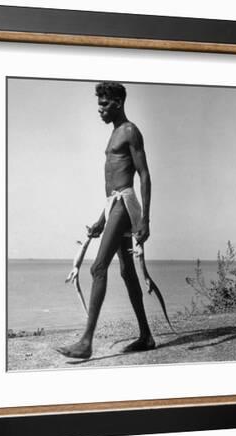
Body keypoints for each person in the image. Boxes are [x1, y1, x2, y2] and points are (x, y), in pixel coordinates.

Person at [56, 81, 155, 359]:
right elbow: (113, 186)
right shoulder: (114, 134)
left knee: (98, 268)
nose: (99, 109)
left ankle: (86, 342)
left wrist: (145, 219)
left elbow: (143, 175)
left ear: (118, 103)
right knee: (126, 271)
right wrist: (101, 218)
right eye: (98, 103)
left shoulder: (130, 131)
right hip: (114, 205)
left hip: (125, 205)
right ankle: (146, 336)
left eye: (104, 104)